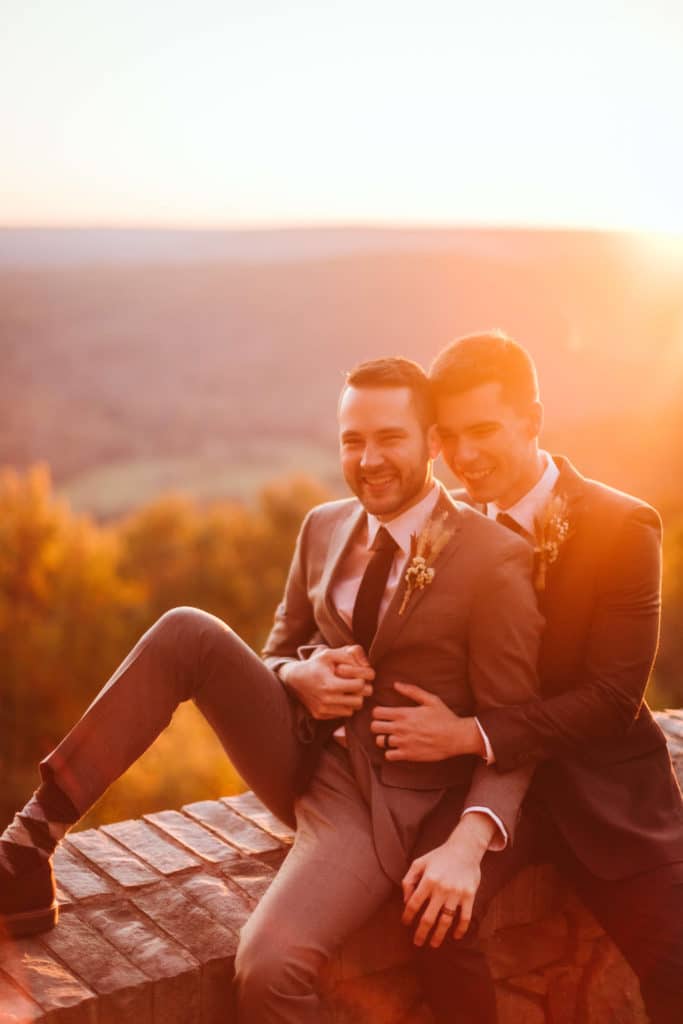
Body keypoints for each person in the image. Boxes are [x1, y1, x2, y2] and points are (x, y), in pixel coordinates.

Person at [1, 357, 542, 1024]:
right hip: (296, 752)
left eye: (389, 438)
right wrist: (298, 676)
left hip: (377, 807)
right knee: (186, 630)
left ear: (432, 441)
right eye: (352, 439)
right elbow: (276, 651)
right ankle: (28, 844)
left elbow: (514, 727)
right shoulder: (322, 527)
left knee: (268, 969)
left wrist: (468, 841)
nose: (368, 459)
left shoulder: (491, 558)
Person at [371, 332, 683, 1024]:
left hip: (605, 794)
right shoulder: (435, 528)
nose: (463, 456)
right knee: (432, 919)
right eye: (446, 437)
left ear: (532, 420)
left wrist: (466, 734)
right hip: (478, 795)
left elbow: (610, 699)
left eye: (482, 430)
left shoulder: (621, 525)